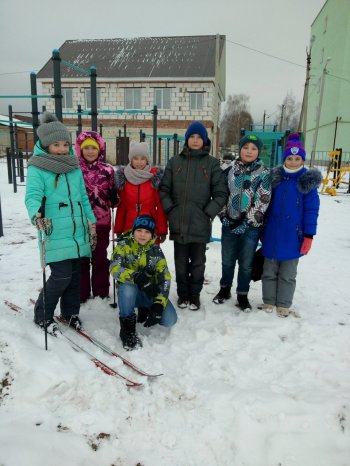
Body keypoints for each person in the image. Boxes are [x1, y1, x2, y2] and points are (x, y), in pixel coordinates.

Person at [25, 112, 96, 333]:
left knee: (75, 277)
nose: (63, 149)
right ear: (46, 145)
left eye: (65, 144)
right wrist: (37, 214)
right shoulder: (38, 167)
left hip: (77, 232)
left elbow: (83, 197)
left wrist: (91, 222)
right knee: (62, 275)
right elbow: (32, 196)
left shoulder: (73, 167)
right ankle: (42, 314)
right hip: (54, 231)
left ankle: (70, 312)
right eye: (56, 144)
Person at [160, 121, 228, 311]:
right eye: (192, 137)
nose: (195, 140)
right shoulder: (175, 162)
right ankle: (183, 294)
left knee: (198, 263)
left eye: (199, 137)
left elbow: (221, 193)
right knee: (180, 263)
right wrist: (171, 210)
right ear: (187, 139)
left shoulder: (212, 164)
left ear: (204, 140)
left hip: (200, 223)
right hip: (179, 223)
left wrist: (207, 213)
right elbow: (164, 189)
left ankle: (194, 294)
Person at [260, 133, 322, 317]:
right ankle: (269, 301)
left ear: (302, 159)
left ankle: (284, 303)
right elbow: (265, 205)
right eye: (289, 158)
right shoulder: (275, 179)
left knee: (287, 274)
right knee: (269, 271)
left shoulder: (307, 183)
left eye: (297, 158)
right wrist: (262, 228)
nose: (293, 162)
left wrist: (309, 235)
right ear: (284, 159)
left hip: (293, 237)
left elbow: (312, 211)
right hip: (271, 233)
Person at [213, 134, 272, 311]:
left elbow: (263, 199)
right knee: (227, 260)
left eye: (253, 148)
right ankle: (225, 289)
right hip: (229, 224)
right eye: (246, 147)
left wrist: (247, 222)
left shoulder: (264, 173)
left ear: (258, 152)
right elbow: (221, 195)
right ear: (240, 149)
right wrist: (223, 217)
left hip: (251, 228)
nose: (249, 151)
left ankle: (243, 294)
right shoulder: (229, 171)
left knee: (246, 263)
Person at [110, 214, 177, 350]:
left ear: (152, 234)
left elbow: (165, 277)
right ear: (133, 230)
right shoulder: (123, 245)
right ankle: (127, 330)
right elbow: (114, 267)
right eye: (139, 230)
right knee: (128, 288)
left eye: (147, 232)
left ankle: (145, 308)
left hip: (148, 291)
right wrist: (136, 276)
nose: (142, 235)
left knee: (170, 319)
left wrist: (159, 303)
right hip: (129, 293)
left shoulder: (156, 250)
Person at [75, 131, 119, 302]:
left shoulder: (108, 170)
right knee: (82, 259)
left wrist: (115, 196)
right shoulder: (75, 170)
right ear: (80, 149)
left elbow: (114, 198)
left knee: (100, 258)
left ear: (100, 149)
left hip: (102, 222)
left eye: (94, 148)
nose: (90, 151)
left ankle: (101, 292)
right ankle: (81, 293)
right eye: (87, 148)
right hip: (80, 222)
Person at [114, 141, 167, 243]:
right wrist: (118, 228)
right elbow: (122, 206)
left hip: (150, 227)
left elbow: (160, 207)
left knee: (149, 257)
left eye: (143, 158)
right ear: (131, 160)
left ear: (147, 160)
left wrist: (162, 230)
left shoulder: (154, 178)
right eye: (135, 158)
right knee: (130, 256)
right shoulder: (125, 177)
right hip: (129, 226)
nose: (139, 162)